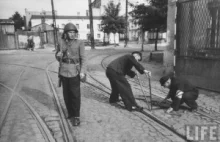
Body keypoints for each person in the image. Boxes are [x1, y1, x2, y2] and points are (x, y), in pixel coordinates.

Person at [56, 23, 86, 126]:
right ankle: (70, 113)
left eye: (74, 32)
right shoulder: (61, 42)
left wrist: (82, 71)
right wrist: (57, 55)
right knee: (66, 94)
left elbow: (83, 58)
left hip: (74, 71)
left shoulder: (79, 43)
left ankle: (76, 116)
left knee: (75, 95)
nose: (72, 34)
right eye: (70, 32)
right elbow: (57, 56)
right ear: (66, 33)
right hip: (64, 71)